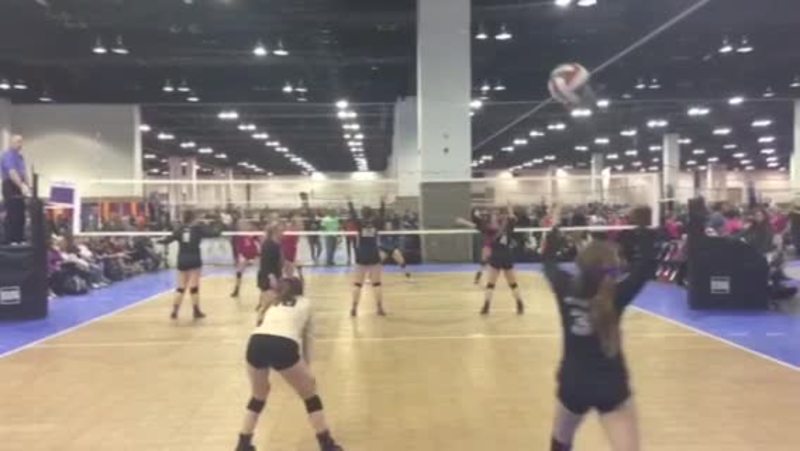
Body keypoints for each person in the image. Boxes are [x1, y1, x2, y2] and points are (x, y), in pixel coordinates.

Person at [542, 205, 656, 451]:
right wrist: (642, 228)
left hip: (574, 382)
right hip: (610, 384)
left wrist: (554, 230)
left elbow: (547, 262)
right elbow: (647, 266)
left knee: (561, 440)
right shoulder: (617, 294)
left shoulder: (565, 287)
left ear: (580, 265)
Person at [236, 276, 343, 451]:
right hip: (283, 344)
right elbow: (308, 339)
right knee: (309, 394)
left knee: (258, 395)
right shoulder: (305, 303)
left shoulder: (273, 303)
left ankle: (243, 442)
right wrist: (306, 367)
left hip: (255, 342)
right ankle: (326, 443)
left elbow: (260, 324)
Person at [457, 202, 525, 315]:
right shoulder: (508, 227)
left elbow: (474, 226)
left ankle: (486, 306)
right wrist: (509, 206)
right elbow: (512, 217)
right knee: (513, 284)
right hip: (507, 256)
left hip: (496, 257)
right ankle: (520, 304)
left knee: (491, 284)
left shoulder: (488, 230)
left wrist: (462, 222)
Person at [159, 210, 220, 320]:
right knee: (194, 286)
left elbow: (167, 240)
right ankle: (196, 311)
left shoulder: (179, 229)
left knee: (181, 287)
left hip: (182, 260)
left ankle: (175, 311)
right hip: (194, 259)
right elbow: (214, 234)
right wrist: (218, 224)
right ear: (193, 218)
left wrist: (159, 241)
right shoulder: (198, 229)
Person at [348, 197, 386, 317]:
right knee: (377, 284)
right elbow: (382, 216)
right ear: (372, 214)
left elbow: (353, 216)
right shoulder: (376, 223)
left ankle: (354, 308)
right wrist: (382, 203)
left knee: (357, 284)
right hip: (374, 254)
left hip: (361, 254)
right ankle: (379, 308)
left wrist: (350, 203)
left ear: (362, 214)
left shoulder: (359, 224)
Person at [1, 135, 30, 244]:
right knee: (12, 213)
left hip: (19, 185)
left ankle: (19, 238)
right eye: (18, 142)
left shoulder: (20, 157)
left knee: (21, 213)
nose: (20, 144)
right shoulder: (7, 155)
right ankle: (11, 239)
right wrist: (21, 186)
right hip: (10, 185)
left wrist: (29, 187)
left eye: (21, 142)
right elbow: (12, 173)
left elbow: (24, 172)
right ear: (11, 143)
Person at [256, 223, 283, 323]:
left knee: (275, 301)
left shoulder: (276, 244)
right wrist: (271, 277)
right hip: (267, 277)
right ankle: (260, 320)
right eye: (280, 231)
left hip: (274, 275)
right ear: (275, 232)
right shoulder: (268, 245)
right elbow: (265, 263)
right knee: (268, 302)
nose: (282, 233)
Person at [231, 221, 262, 298]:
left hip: (255, 255)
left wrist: (258, 254)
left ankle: (263, 287)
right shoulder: (240, 236)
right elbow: (237, 247)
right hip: (244, 255)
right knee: (239, 272)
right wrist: (237, 257)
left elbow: (259, 244)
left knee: (262, 270)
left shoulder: (256, 235)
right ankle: (237, 289)